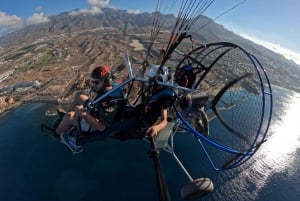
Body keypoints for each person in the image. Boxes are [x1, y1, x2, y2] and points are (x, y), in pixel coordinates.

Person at [54, 65, 125, 153]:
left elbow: (102, 128)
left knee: (69, 116)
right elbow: (113, 73)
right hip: (96, 110)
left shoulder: (109, 101)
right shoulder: (113, 86)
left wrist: (83, 114)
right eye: (92, 82)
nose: (93, 85)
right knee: (78, 95)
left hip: (96, 124)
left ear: (106, 83)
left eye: (96, 83)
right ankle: (66, 122)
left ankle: (57, 135)